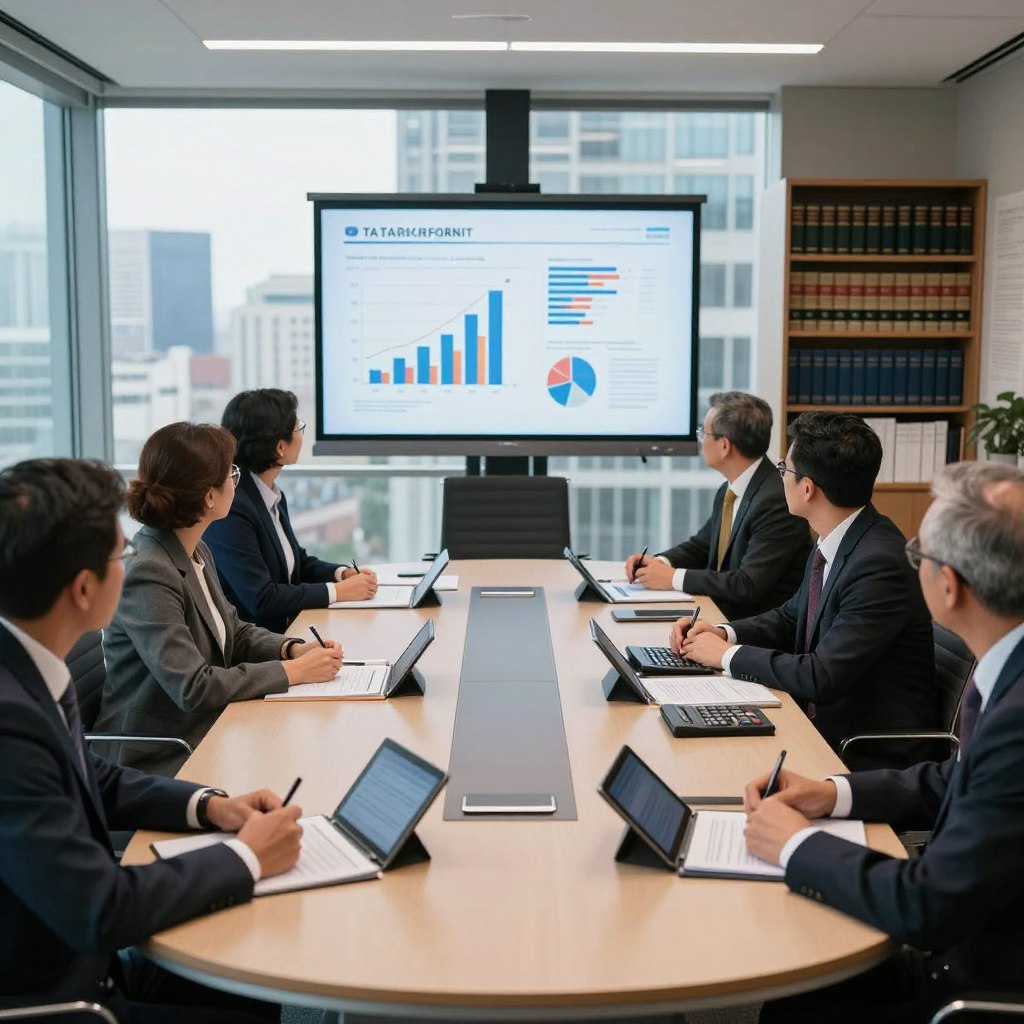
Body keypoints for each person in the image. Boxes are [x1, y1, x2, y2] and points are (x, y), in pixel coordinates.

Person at [0, 457, 305, 1022]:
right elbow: (99, 908)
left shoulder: (32, 664)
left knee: (257, 982)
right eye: (121, 555)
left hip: (88, 962)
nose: (131, 561)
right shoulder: (9, 723)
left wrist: (212, 807)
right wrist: (246, 856)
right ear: (84, 588)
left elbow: (94, 776)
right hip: (63, 999)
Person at [742, 460, 1024, 1022]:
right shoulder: (1009, 672)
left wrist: (795, 844)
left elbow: (927, 905)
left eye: (920, 555)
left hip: (972, 986)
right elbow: (958, 778)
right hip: (972, 931)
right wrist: (832, 794)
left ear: (948, 586)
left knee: (797, 991)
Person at [673, 411, 936, 768]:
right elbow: (790, 617)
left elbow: (820, 676)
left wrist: (723, 656)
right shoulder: (838, 536)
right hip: (820, 725)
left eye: (785, 470)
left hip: (863, 753)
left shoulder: (879, 563)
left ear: (808, 487)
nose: (780, 478)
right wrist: (724, 632)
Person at [96, 422, 342, 776]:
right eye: (231, 473)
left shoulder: (195, 550)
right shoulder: (147, 571)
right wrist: (293, 672)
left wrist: (291, 649)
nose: (235, 482)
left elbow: (234, 630)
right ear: (208, 496)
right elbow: (193, 687)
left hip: (203, 727)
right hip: (156, 754)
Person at [625, 392, 811, 620]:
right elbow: (700, 547)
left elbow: (747, 585)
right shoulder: (730, 489)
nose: (701, 439)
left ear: (725, 445)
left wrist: (672, 577)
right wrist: (659, 563)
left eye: (704, 432)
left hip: (756, 631)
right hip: (719, 615)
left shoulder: (776, 500)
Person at [204, 389, 378, 633]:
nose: (301, 435)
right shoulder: (232, 508)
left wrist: (341, 574)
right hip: (254, 650)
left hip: (287, 634)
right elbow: (261, 599)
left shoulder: (269, 494)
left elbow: (298, 564)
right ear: (280, 447)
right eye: (299, 428)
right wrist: (337, 592)